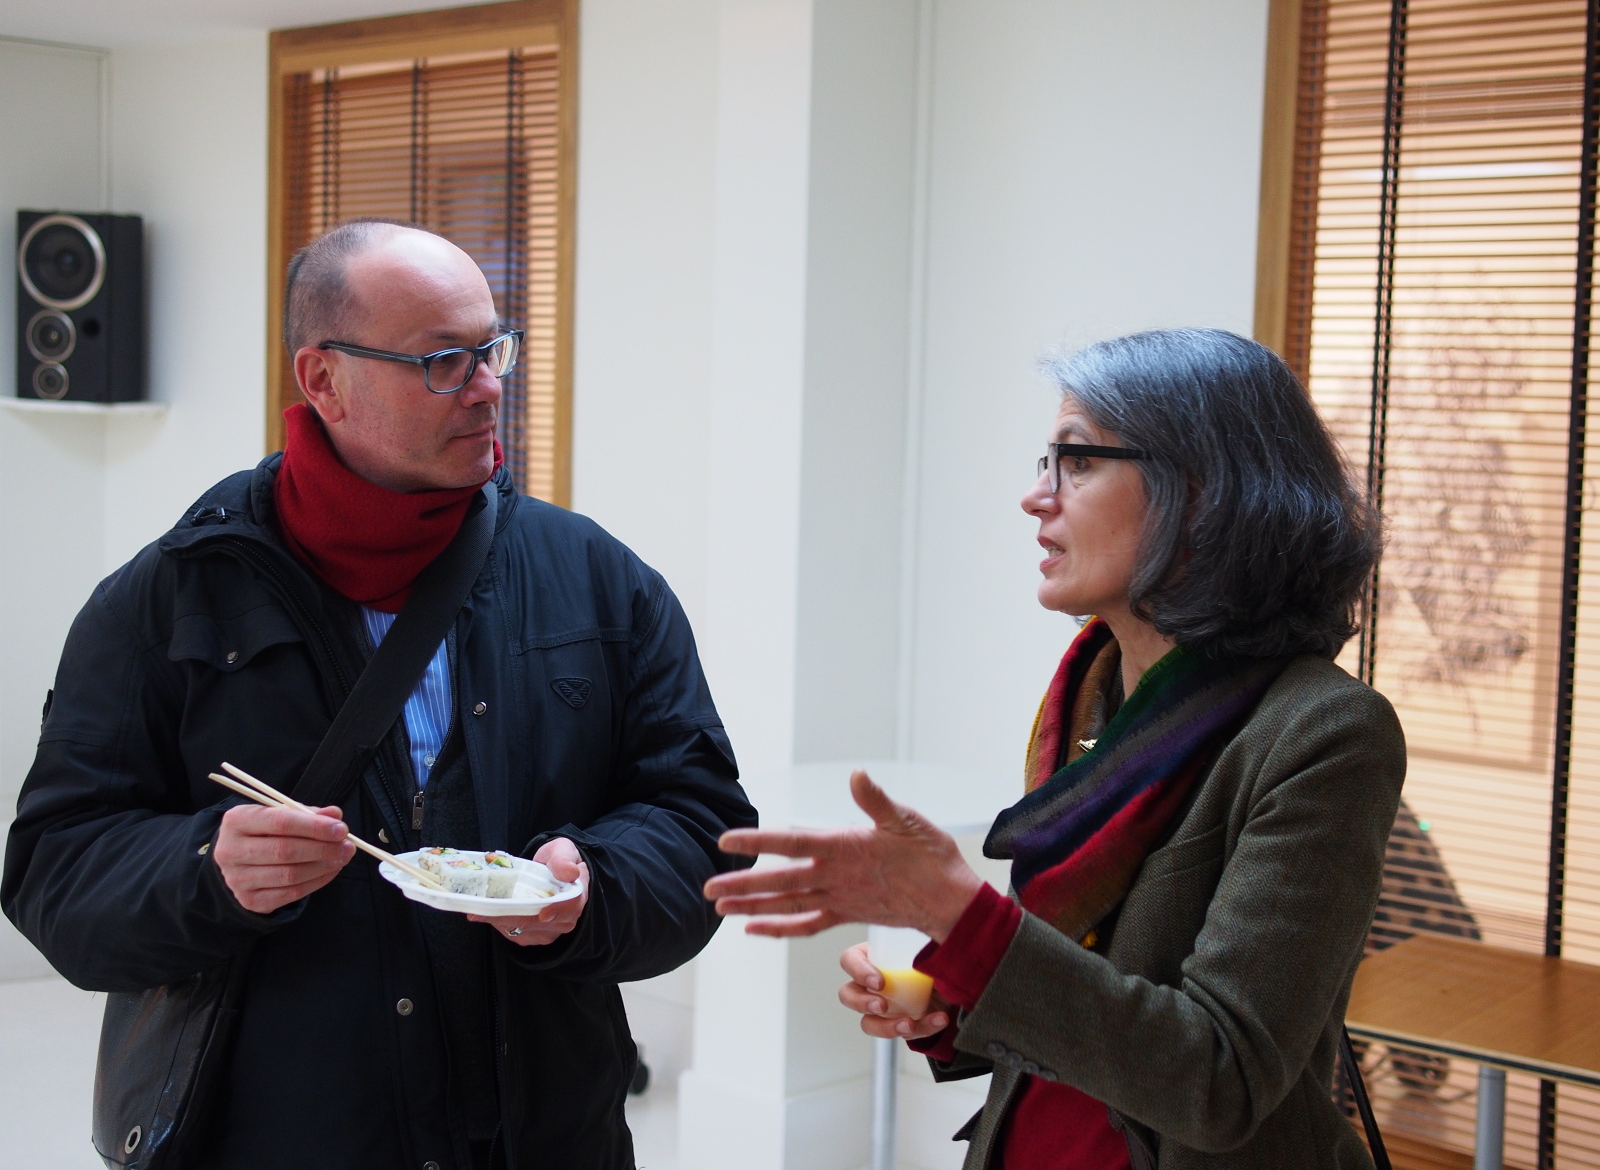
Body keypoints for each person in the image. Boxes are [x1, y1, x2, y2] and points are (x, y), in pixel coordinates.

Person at [2, 220, 756, 1170]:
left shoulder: (598, 582)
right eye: (443, 362)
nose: (487, 387)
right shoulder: (168, 599)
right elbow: (55, 872)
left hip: (546, 1134)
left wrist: (592, 885)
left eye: (492, 349)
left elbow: (700, 822)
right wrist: (207, 869)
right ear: (324, 380)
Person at [704, 329, 1404, 1168]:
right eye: (1048, 462)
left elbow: (1221, 1080)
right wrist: (950, 1002)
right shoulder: (1087, 697)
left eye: (1077, 461)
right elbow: (1087, 984)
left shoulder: (1325, 733)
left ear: (1202, 493)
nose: (1035, 497)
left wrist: (964, 921)